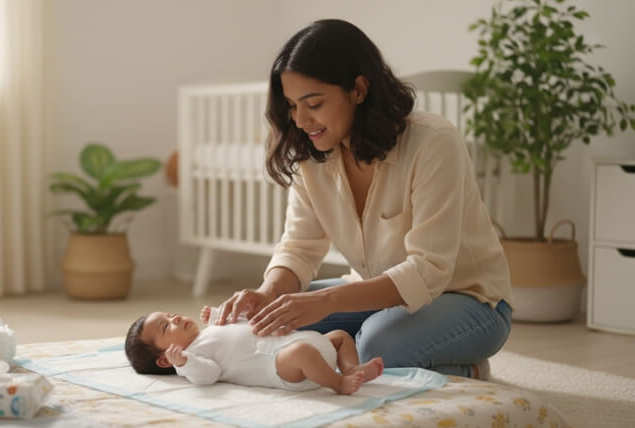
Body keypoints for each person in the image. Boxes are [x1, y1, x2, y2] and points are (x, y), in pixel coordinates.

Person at [214, 19, 513, 381]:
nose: (301, 120)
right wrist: (266, 294)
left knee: (377, 346)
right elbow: (299, 247)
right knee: (269, 324)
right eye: (292, 106)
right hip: (380, 298)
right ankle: (369, 350)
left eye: (314, 103)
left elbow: (429, 270)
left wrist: (327, 301)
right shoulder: (313, 156)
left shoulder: (433, 142)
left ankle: (468, 370)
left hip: (469, 302)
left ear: (358, 89)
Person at [124, 306, 384, 395]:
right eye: (166, 326)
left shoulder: (209, 331)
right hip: (281, 366)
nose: (177, 319)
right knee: (302, 352)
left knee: (338, 337)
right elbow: (208, 375)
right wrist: (183, 363)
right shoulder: (191, 361)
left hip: (303, 342)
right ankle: (338, 383)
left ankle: (351, 368)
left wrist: (218, 314)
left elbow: (245, 322)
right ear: (164, 360)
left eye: (171, 315)